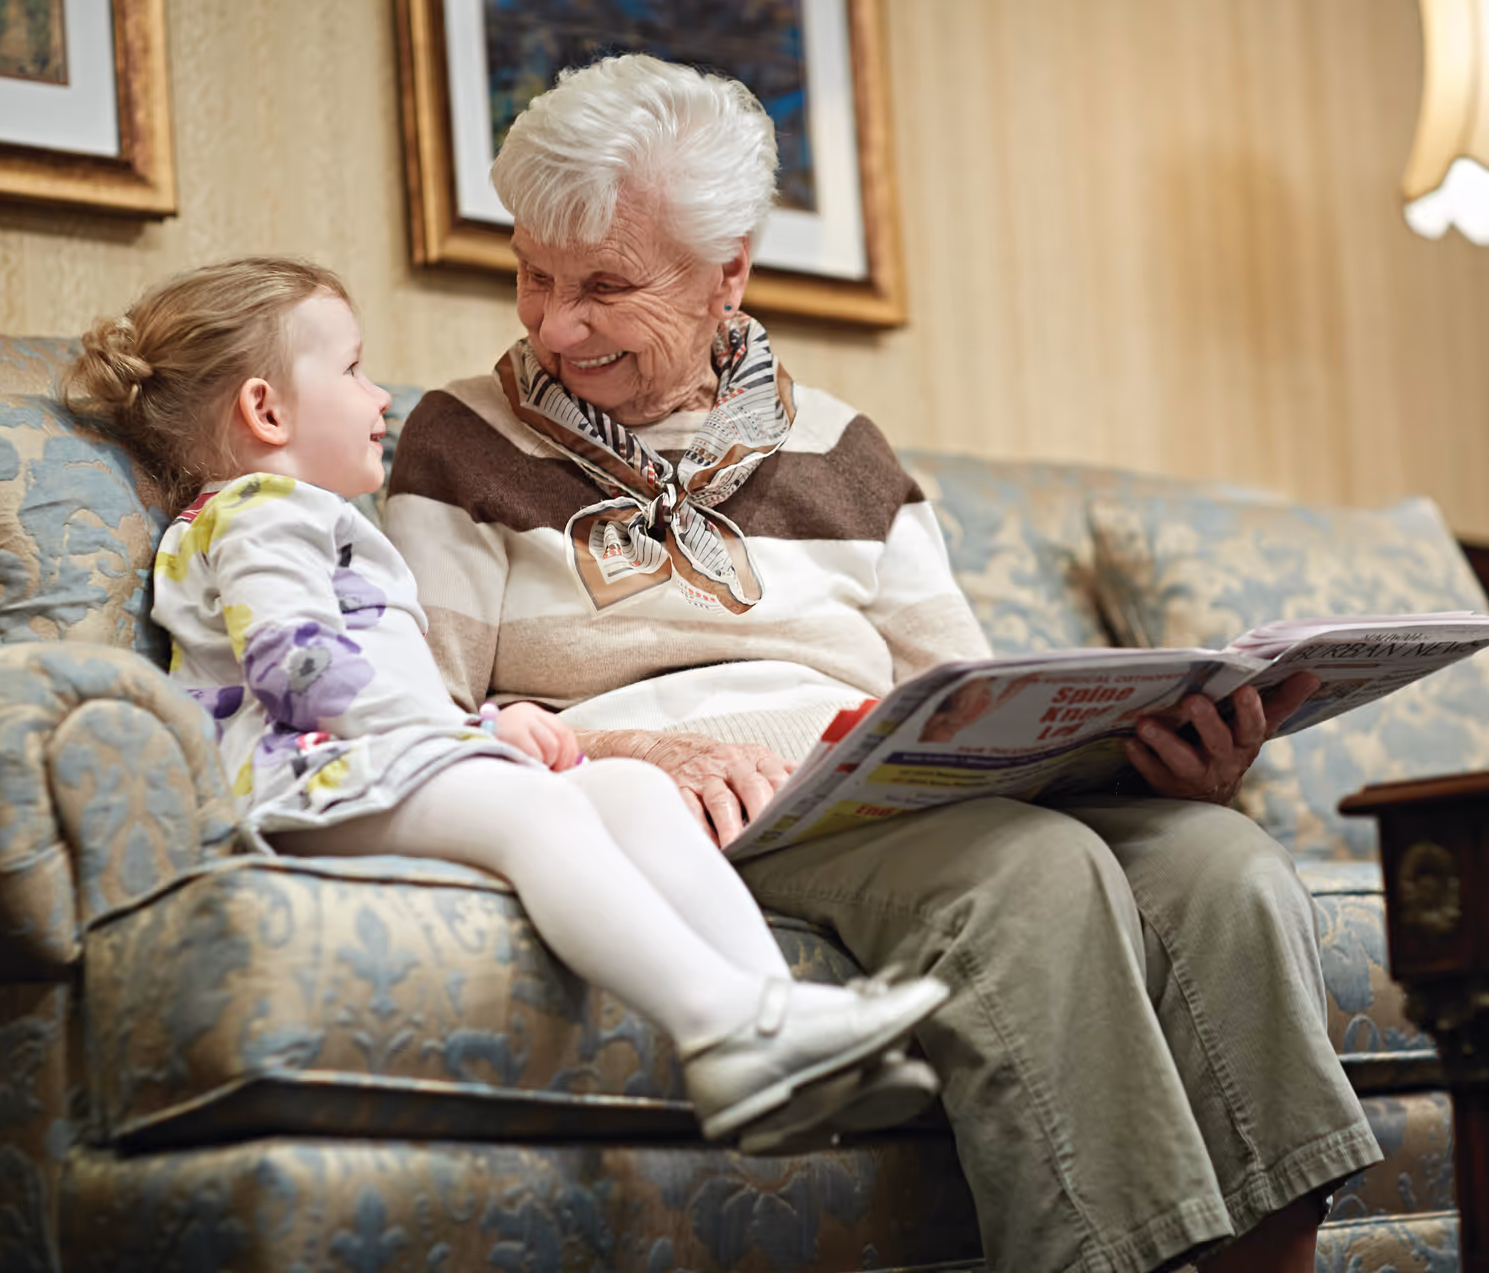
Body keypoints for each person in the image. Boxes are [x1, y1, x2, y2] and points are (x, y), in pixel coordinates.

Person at [383, 56, 1383, 1273]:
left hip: (892, 787)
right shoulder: (456, 439)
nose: (551, 323)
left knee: (1223, 865)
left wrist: (1166, 760)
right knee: (1031, 871)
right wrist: (627, 745)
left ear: (728, 275)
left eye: (604, 285)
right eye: (533, 276)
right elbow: (408, 719)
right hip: (701, 820)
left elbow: (965, 691)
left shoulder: (843, 446)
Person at [58, 256, 951, 1154]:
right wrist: (470, 733)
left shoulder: (300, 515)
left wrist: (472, 736)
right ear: (267, 410)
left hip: (365, 770)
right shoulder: (261, 514)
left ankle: (785, 1030)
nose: (381, 400)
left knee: (632, 792)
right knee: (528, 804)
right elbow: (295, 670)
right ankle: (719, 1026)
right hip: (301, 786)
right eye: (356, 369)